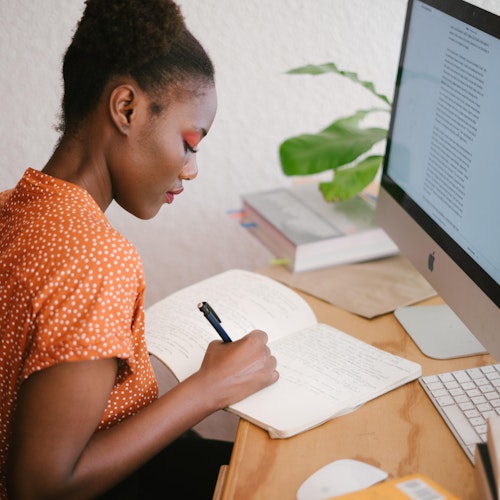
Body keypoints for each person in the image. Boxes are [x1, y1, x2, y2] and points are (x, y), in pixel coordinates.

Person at [0, 1, 279, 498]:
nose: (191, 168)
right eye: (191, 142)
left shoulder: (12, 207)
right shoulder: (95, 258)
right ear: (126, 108)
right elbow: (41, 487)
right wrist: (208, 388)